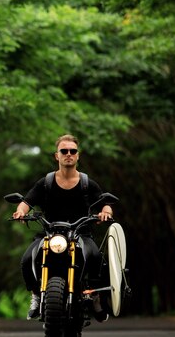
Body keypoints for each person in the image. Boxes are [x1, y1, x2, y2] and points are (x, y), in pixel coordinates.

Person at [12, 134, 113, 321]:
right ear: (56, 156)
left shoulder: (86, 183)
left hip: (81, 233)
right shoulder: (46, 182)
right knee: (27, 259)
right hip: (50, 234)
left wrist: (105, 212)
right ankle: (35, 293)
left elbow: (105, 203)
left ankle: (95, 297)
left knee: (98, 260)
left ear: (78, 155)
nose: (68, 154)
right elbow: (27, 202)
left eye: (72, 151)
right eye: (64, 151)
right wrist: (20, 211)